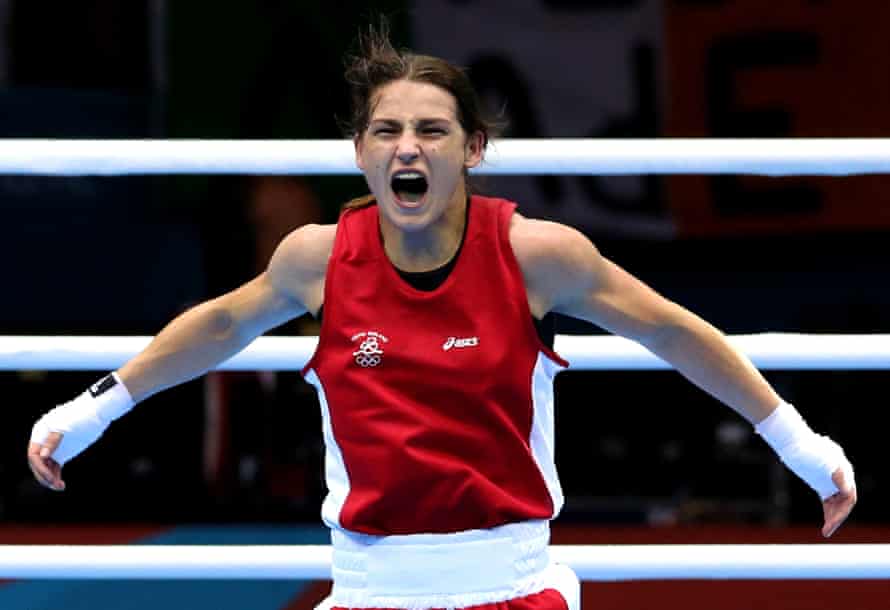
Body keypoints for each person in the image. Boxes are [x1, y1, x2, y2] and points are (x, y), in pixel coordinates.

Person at [28, 25, 855, 610]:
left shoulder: (537, 255)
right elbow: (215, 327)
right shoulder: (317, 258)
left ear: (472, 149)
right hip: (367, 593)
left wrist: (798, 441)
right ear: (360, 152)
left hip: (511, 585)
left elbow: (673, 331)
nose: (408, 147)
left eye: (432, 129)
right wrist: (94, 407)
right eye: (386, 130)